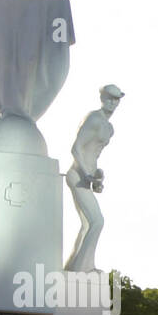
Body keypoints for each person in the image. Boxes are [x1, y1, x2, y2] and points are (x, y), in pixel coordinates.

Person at [64, 85, 124, 272]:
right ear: (101, 98)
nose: (112, 102)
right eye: (109, 97)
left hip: (88, 178)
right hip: (77, 176)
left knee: (86, 224)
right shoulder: (94, 118)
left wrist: (97, 174)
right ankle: (83, 268)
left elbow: (93, 155)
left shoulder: (109, 128)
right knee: (97, 221)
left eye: (116, 99)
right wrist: (87, 174)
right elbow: (76, 148)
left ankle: (73, 267)